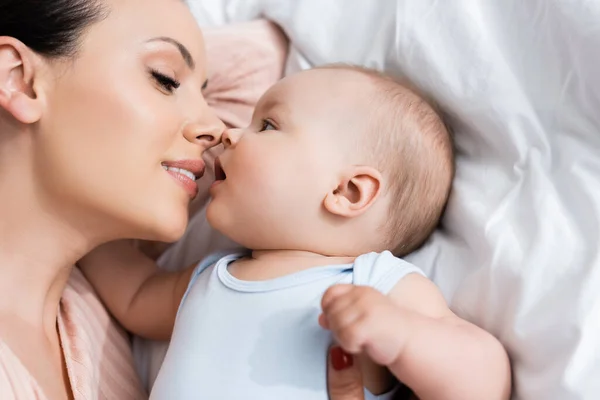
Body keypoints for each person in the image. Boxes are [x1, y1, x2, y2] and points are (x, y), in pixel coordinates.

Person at [79, 65, 512, 399]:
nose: (228, 134)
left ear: (347, 191)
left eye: (267, 125)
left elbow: (483, 377)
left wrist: (401, 337)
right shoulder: (209, 275)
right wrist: (83, 212)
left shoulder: (373, 285)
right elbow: (136, 295)